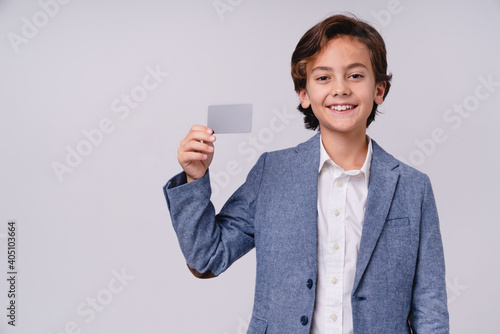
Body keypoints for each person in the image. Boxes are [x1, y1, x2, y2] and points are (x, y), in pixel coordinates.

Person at [163, 14, 449, 334]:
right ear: (304, 94)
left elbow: (430, 304)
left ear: (379, 89)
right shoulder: (272, 173)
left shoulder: (413, 187)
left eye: (355, 75)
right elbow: (207, 258)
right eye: (323, 78)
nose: (340, 89)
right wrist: (194, 179)